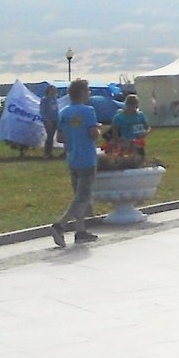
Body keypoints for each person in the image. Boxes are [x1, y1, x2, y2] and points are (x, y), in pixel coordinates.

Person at [48, 79, 102, 248]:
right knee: (83, 197)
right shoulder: (88, 111)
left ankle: (81, 230)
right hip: (87, 157)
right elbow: (93, 134)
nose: (89, 93)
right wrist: (98, 129)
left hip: (72, 157)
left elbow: (60, 137)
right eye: (88, 90)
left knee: (79, 196)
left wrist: (74, 135)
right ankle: (60, 225)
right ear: (83, 92)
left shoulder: (63, 112)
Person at [110, 92, 149, 162]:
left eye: (135, 105)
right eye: (131, 105)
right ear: (127, 104)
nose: (133, 107)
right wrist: (117, 141)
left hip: (138, 142)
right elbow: (114, 130)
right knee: (125, 161)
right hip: (125, 142)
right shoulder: (119, 117)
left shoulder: (140, 115)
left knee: (140, 160)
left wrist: (145, 132)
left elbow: (147, 127)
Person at [39, 83, 60, 160]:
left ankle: (50, 153)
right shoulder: (45, 99)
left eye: (55, 90)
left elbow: (56, 110)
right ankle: (46, 153)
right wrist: (47, 120)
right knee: (49, 136)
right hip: (48, 120)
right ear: (49, 91)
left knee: (52, 136)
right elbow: (42, 111)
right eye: (53, 90)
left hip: (55, 120)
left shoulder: (54, 99)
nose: (54, 92)